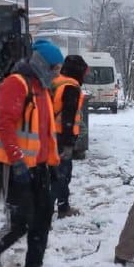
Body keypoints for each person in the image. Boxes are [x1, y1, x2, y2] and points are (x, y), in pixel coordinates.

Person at [0, 38, 64, 267]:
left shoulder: (42, 88)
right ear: (42, 64)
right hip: (18, 165)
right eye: (55, 67)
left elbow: (45, 132)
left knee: (43, 217)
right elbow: (4, 125)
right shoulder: (16, 84)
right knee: (21, 221)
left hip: (41, 167)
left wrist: (53, 164)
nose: (57, 73)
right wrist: (17, 161)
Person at [50, 54, 88, 218]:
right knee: (62, 175)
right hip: (61, 138)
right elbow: (68, 117)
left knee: (56, 174)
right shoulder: (71, 87)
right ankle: (57, 209)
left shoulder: (57, 81)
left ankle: (59, 207)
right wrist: (67, 144)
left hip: (51, 135)